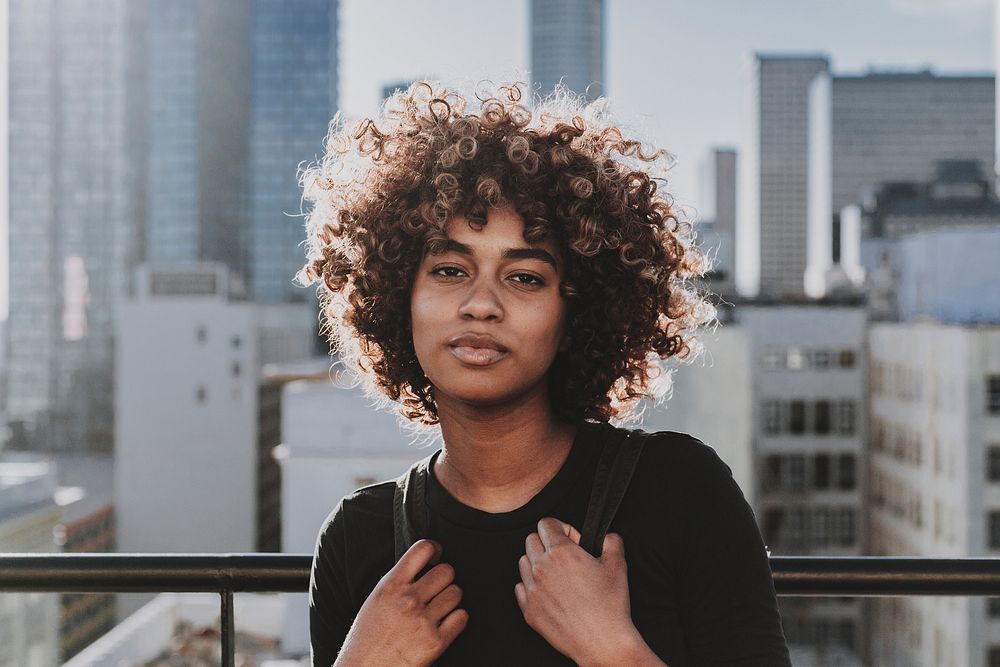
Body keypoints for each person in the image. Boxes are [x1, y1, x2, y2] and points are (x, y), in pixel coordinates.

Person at [300, 81, 790, 666]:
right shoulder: (359, 538)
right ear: (398, 297)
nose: (481, 304)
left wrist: (613, 650)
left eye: (525, 277)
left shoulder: (680, 492)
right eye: (451, 270)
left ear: (575, 313)